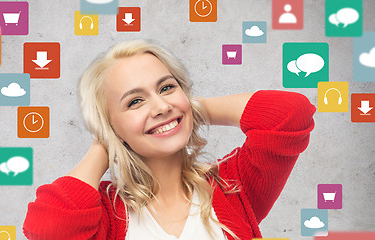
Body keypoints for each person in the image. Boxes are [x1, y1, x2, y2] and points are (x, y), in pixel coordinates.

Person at [23, 39, 316, 240]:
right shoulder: (104, 215)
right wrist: (104, 141)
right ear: (111, 127)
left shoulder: (233, 188)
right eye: (135, 101)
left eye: (166, 87)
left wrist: (188, 107)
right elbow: (48, 229)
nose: (160, 106)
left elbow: (290, 115)